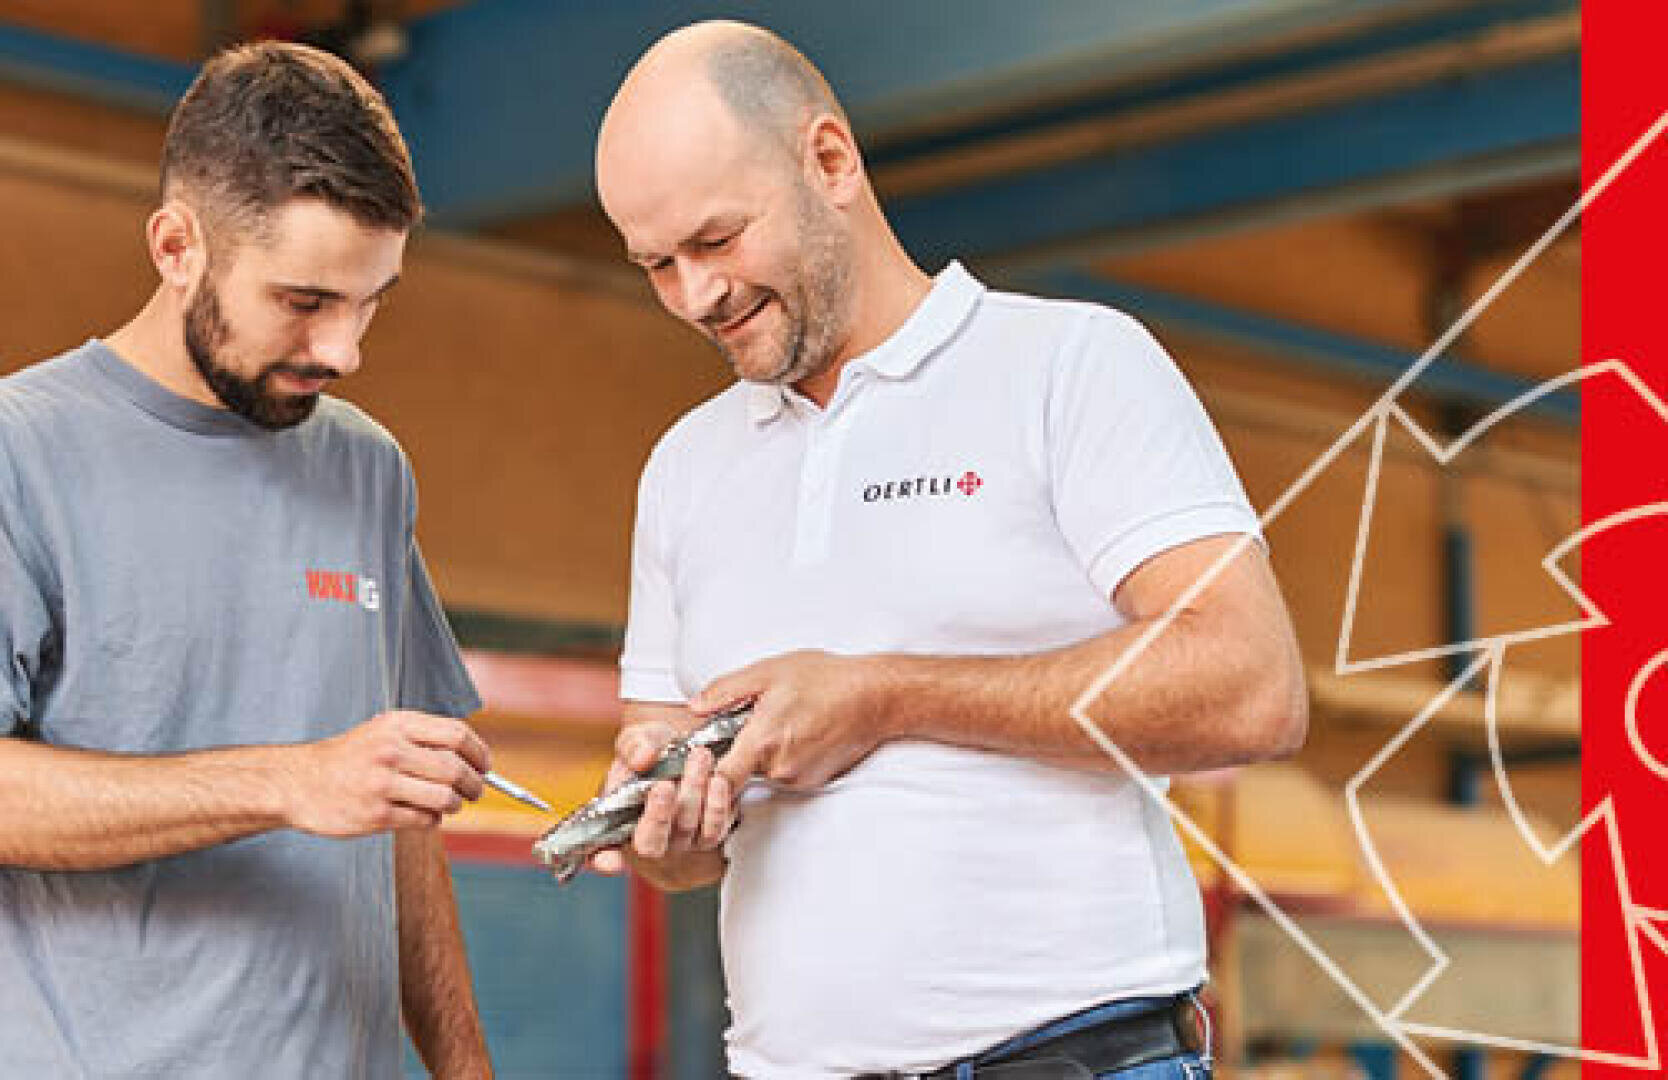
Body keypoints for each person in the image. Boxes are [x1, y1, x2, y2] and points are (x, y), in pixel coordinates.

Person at [590, 20, 1309, 1080]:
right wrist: (673, 835)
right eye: (658, 265)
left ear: (828, 160)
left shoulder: (1066, 366)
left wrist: (884, 696)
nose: (697, 296)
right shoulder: (684, 469)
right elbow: (682, 850)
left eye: (718, 240)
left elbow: (1253, 687)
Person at [0, 43, 493, 1078]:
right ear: (177, 245)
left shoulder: (368, 469)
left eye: (371, 301)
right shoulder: (21, 452)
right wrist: (288, 781)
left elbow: (400, 821)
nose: (344, 351)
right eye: (304, 302)